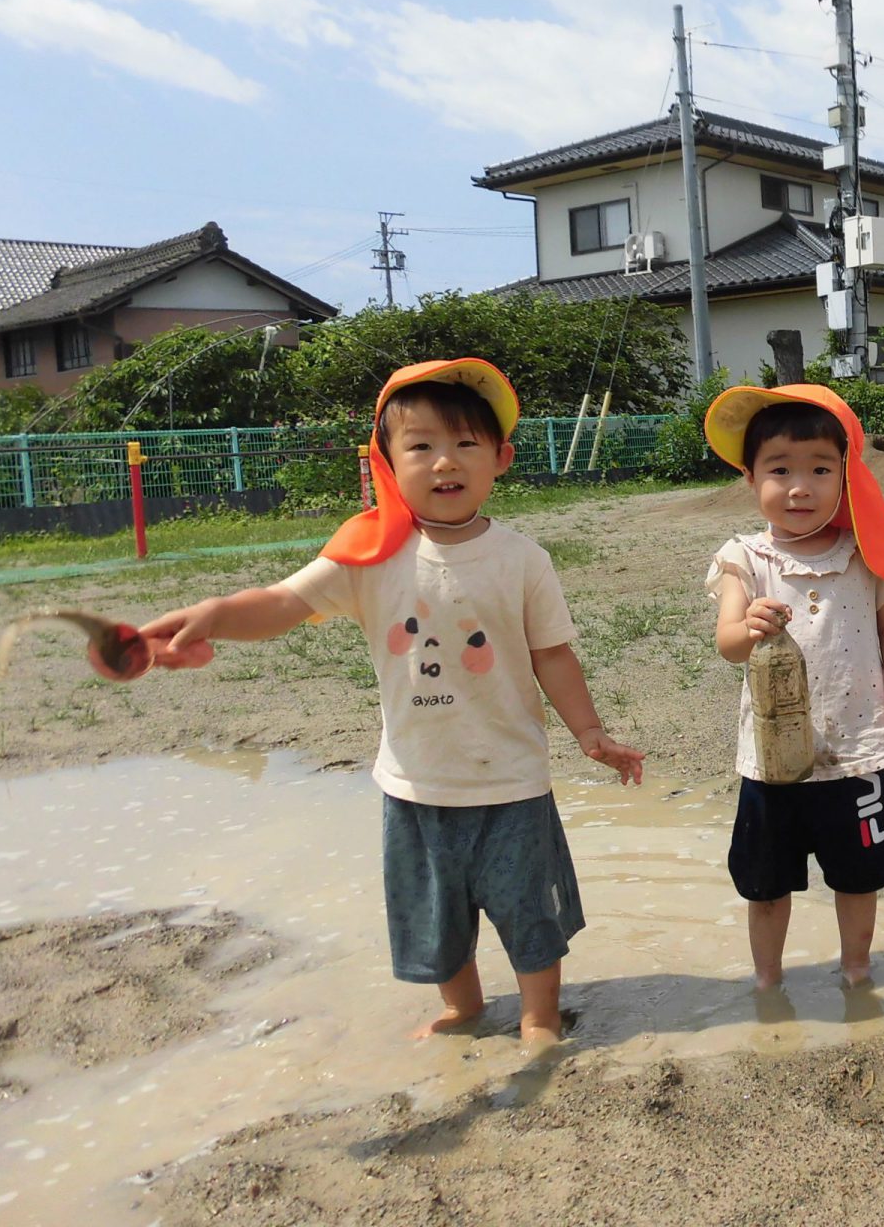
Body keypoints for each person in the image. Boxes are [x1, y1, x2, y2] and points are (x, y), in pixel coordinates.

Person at [140, 359, 643, 1046]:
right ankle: (464, 1009)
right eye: (421, 445)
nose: (445, 461)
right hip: (416, 784)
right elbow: (282, 604)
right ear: (387, 461)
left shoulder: (523, 558)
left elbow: (551, 653)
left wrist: (589, 732)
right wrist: (214, 614)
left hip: (512, 779)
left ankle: (539, 1014)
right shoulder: (369, 556)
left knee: (531, 912)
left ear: (501, 458)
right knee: (435, 918)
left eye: (465, 444)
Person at [701, 383, 884, 993]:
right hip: (773, 761)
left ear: (845, 477)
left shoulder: (863, 555)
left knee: (859, 876)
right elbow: (728, 643)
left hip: (855, 752)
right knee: (765, 884)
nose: (800, 487)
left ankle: (857, 971)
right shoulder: (745, 559)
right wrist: (747, 626)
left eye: (821, 469)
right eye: (780, 470)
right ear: (750, 477)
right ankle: (767, 983)